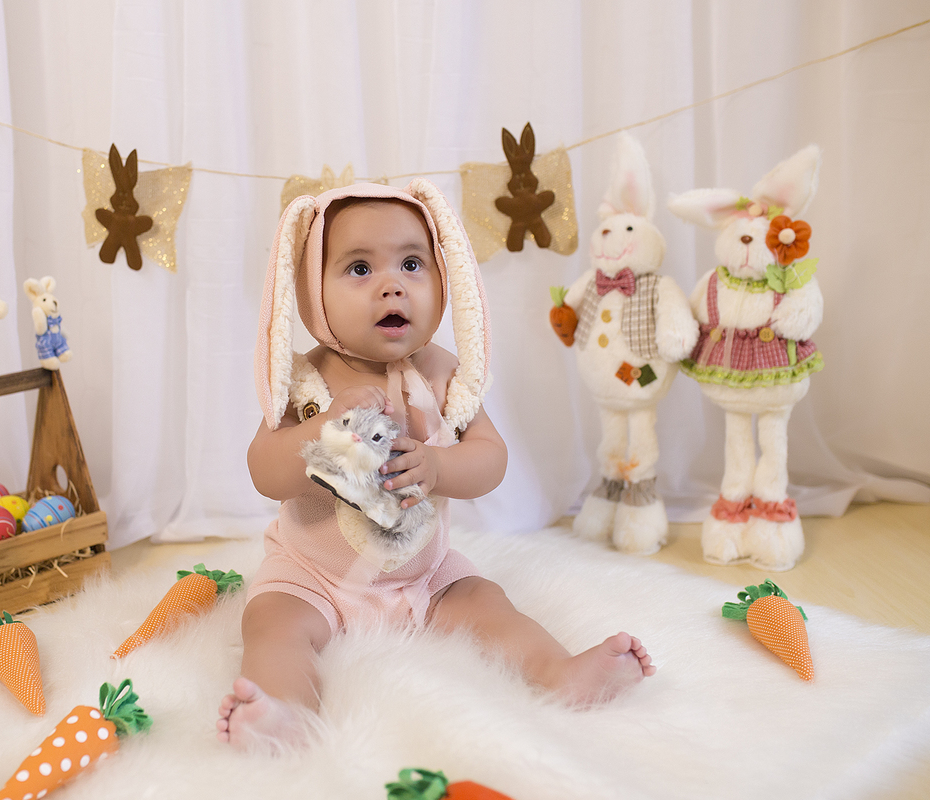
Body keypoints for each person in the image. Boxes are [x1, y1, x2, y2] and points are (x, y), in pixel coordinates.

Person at [217, 181, 655, 751]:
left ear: (446, 283)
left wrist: (440, 467)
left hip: (423, 575)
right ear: (310, 293)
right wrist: (317, 435)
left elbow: (491, 458)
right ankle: (285, 714)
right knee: (272, 623)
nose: (391, 284)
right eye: (358, 269)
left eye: (411, 263)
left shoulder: (444, 375)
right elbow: (263, 471)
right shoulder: (306, 382)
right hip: (312, 576)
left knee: (487, 604)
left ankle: (561, 674)